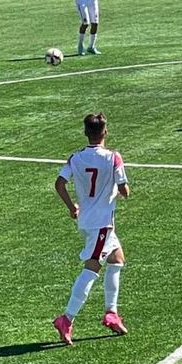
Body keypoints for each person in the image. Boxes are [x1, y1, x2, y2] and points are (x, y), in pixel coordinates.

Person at [52, 112, 131, 345]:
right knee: (92, 269)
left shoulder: (75, 158)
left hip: (89, 221)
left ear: (86, 132)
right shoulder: (113, 158)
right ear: (105, 132)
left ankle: (111, 313)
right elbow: (125, 191)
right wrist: (117, 191)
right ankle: (66, 318)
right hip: (101, 223)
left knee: (117, 259)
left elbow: (59, 184)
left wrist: (71, 207)